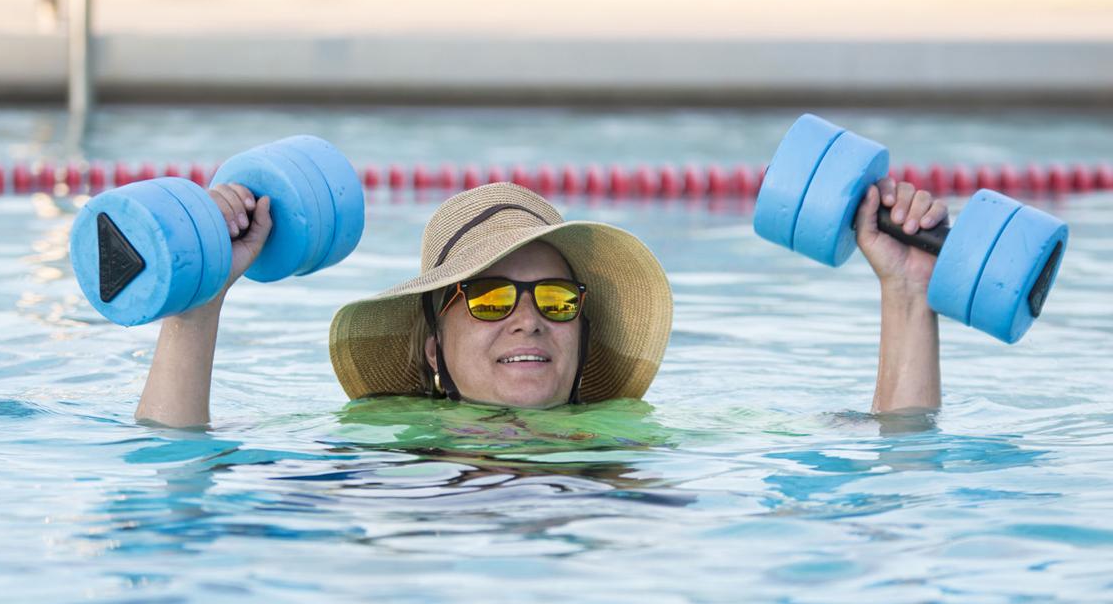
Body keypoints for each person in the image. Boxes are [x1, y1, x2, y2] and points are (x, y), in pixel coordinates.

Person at [134, 179, 947, 427]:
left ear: (582, 335)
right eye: (488, 299)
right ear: (430, 348)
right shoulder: (383, 451)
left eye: (557, 297)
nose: (529, 318)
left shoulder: (631, 444)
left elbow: (895, 452)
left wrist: (908, 296)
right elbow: (178, 478)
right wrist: (196, 307)